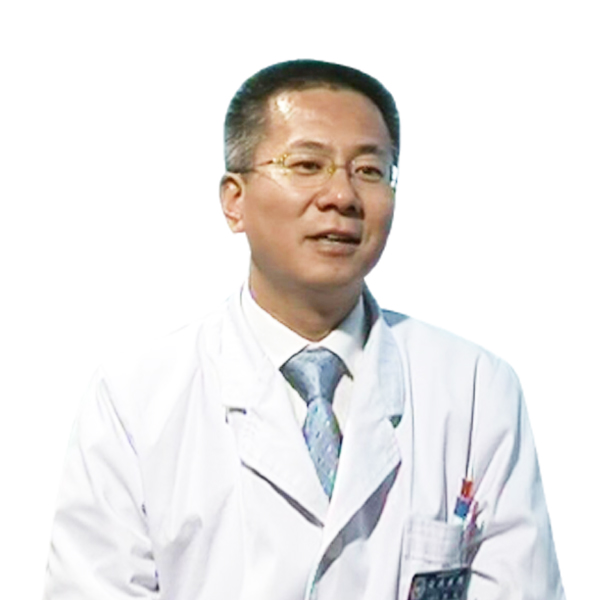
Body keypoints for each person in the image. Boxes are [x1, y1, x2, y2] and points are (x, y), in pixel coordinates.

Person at [44, 59, 564, 600]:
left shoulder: (475, 388)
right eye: (307, 164)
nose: (341, 195)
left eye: (369, 170)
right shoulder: (135, 399)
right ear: (235, 201)